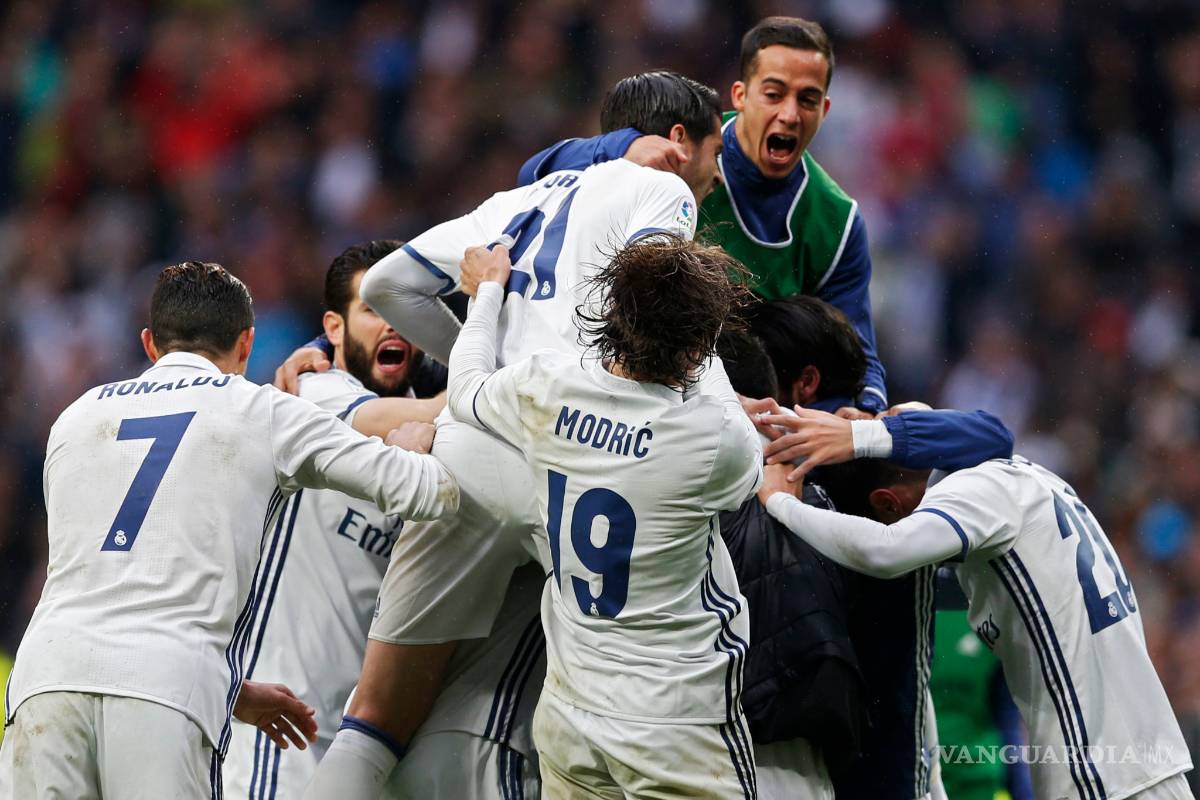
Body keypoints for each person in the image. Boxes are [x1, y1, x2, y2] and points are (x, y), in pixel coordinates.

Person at [304, 70, 725, 799]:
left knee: (373, 719)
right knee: (628, 685)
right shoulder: (662, 190)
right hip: (575, 453)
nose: (717, 176)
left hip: (469, 448)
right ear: (679, 143)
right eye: (717, 155)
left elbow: (385, 288)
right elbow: (657, 288)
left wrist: (486, 350)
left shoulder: (513, 201)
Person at [0, 262, 458, 799]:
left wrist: (234, 692)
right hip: (167, 690)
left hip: (45, 676)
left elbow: (114, 591)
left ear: (150, 344)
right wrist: (407, 444)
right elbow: (431, 493)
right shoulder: (262, 410)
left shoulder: (73, 418)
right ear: (246, 345)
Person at [446, 234, 762, 797]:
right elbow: (734, 438)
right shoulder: (715, 439)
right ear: (697, 345)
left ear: (611, 312)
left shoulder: (544, 385)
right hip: (673, 722)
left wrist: (488, 292)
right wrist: (701, 334)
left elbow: (464, 388)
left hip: (570, 710)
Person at [758, 453, 1196, 800]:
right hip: (1147, 766)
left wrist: (781, 503)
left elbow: (885, 550)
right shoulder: (1030, 478)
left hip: (1101, 777)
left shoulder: (977, 497)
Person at [518, 16, 887, 415]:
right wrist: (621, 145)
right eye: (774, 94)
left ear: (826, 109)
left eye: (808, 99)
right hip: (603, 367)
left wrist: (867, 411)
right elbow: (535, 175)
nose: (790, 114)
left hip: (737, 410)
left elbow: (856, 356)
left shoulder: (837, 221)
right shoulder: (685, 146)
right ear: (741, 95)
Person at [724, 297, 1015, 800]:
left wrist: (866, 435)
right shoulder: (757, 455)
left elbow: (994, 435)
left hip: (883, 755)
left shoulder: (878, 451)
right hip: (805, 750)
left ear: (803, 383)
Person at [223, 241, 447, 798]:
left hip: (366, 742)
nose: (393, 326)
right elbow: (418, 416)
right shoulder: (312, 393)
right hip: (277, 733)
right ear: (335, 327)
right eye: (374, 310)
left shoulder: (436, 404)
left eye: (404, 311)